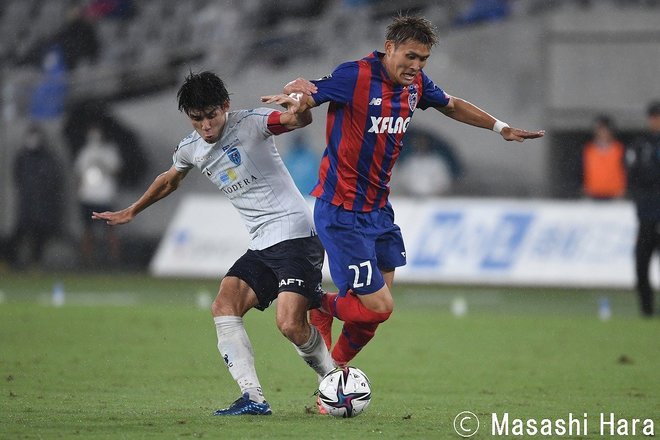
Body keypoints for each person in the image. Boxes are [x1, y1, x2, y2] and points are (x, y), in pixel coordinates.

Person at [280, 14, 544, 382]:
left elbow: (450, 104)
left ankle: (335, 375)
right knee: (379, 307)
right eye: (410, 56)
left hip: (379, 212)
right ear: (390, 48)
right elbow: (311, 93)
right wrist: (294, 97)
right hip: (342, 212)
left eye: (423, 59)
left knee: (371, 318)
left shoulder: (416, 85)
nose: (416, 66)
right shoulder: (355, 75)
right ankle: (318, 302)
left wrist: (500, 127)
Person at [92, 71, 335, 415]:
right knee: (224, 305)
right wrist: (133, 210)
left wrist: (297, 105)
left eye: (211, 116)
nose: (206, 126)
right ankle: (253, 398)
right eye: (197, 119)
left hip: (295, 234)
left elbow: (297, 119)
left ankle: (336, 379)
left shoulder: (252, 123)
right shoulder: (192, 148)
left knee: (290, 325)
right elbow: (168, 180)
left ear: (226, 106)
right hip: (262, 243)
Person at [7, 124, 65, 269]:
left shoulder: (47, 157)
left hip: (43, 204)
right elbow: (17, 176)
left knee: (40, 235)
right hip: (26, 203)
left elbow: (54, 179)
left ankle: (35, 262)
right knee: (20, 233)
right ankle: (10, 261)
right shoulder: (23, 156)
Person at [624, 101, 660, 317]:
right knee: (641, 261)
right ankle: (646, 309)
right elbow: (633, 176)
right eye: (653, 117)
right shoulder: (641, 145)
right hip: (647, 213)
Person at [74, 124, 123, 267]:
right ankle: (87, 261)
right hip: (88, 197)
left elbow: (116, 170)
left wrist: (102, 164)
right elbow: (78, 174)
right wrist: (80, 192)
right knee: (88, 231)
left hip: (104, 197)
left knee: (111, 232)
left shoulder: (109, 152)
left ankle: (114, 261)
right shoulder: (84, 152)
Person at [582, 115, 626, 200]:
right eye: (600, 130)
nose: (602, 133)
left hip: (615, 196)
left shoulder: (620, 150)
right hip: (592, 196)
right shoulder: (588, 150)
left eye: (605, 130)